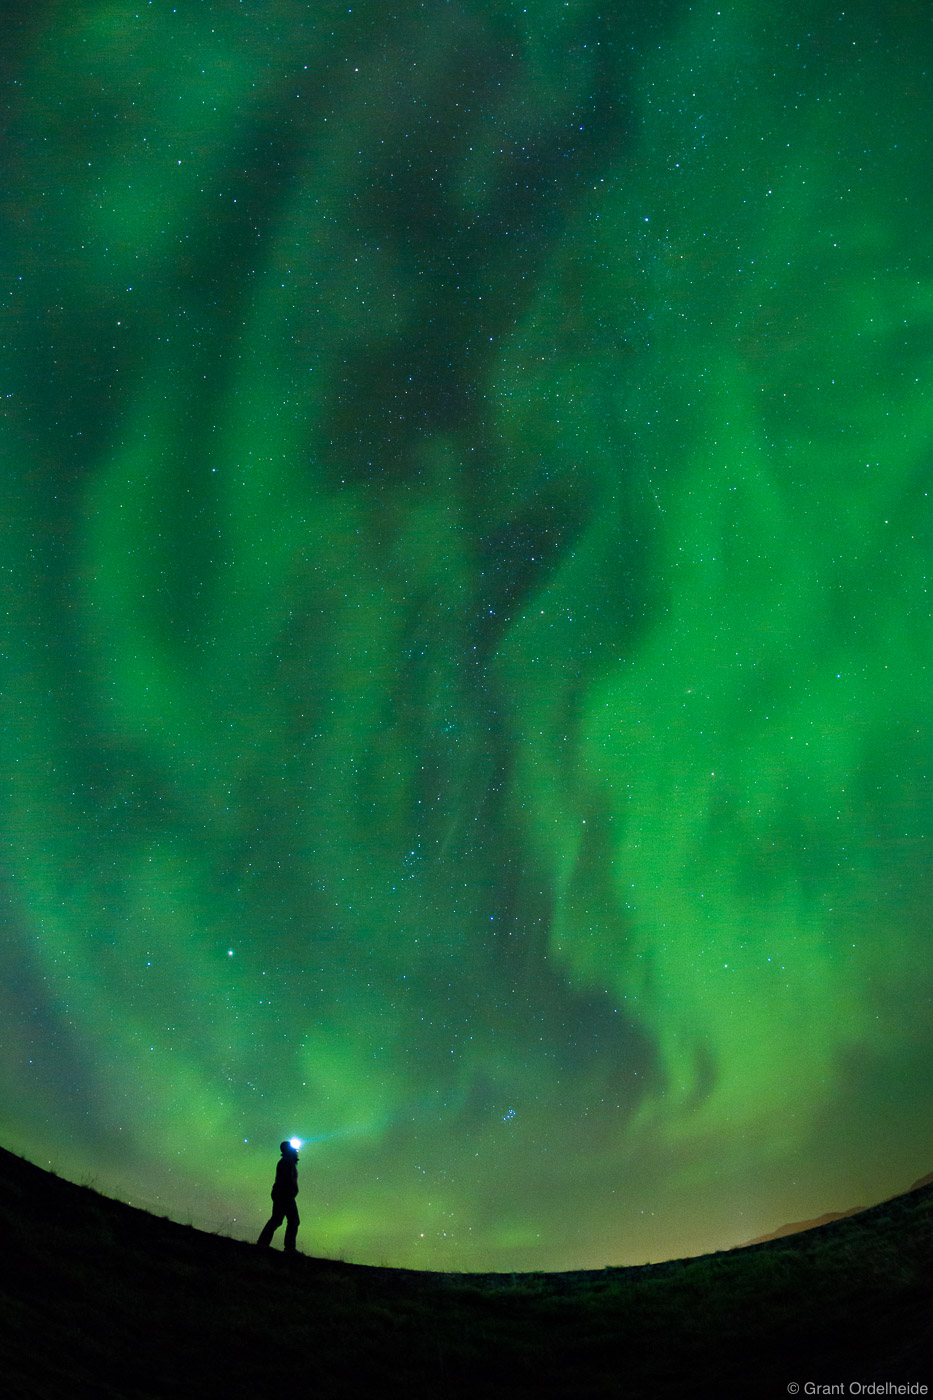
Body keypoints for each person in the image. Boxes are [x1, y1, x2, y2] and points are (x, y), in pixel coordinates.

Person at [257, 1141, 300, 1251]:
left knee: (280, 1219)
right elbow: (286, 1179)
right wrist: (290, 1192)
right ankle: (288, 1247)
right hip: (284, 1194)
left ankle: (263, 1243)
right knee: (289, 1220)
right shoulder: (287, 1162)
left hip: (284, 1194)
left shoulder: (287, 1161)